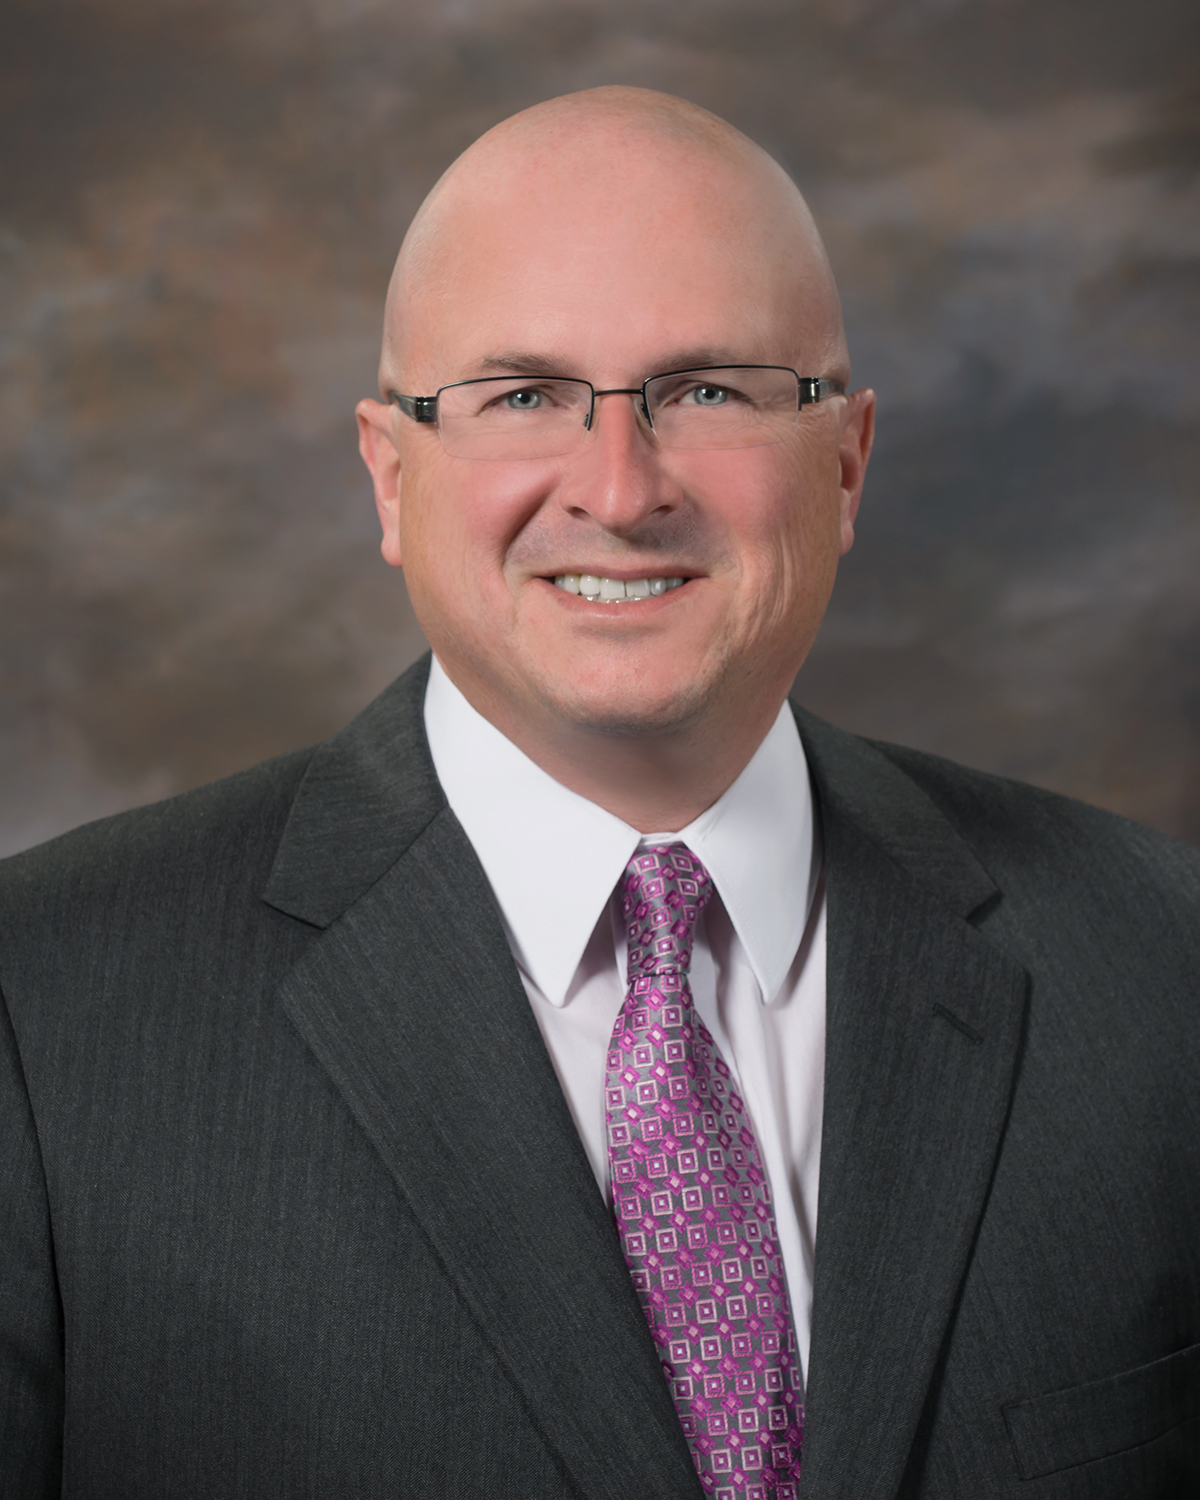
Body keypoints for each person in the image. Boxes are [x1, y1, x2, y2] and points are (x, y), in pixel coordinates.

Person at [1, 86, 1197, 1499]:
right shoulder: (45, 1008)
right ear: (390, 477)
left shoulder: (1162, 960)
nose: (620, 492)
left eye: (708, 391)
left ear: (846, 464)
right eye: (523, 397)